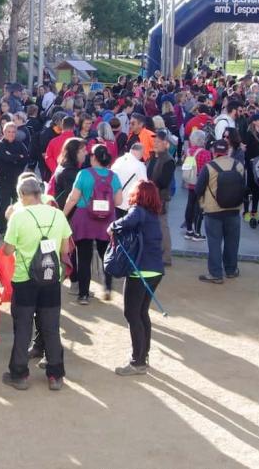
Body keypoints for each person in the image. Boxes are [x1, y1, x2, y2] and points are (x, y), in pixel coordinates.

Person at [2, 177, 72, 392]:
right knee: (51, 326)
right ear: (39, 194)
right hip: (50, 277)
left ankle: (19, 374)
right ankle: (55, 375)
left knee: (23, 326)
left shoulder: (18, 216)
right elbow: (65, 250)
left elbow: (7, 250)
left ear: (21, 195)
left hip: (25, 278)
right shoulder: (58, 215)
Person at [108, 180, 165, 376]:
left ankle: (137, 361)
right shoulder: (153, 215)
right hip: (156, 270)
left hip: (140, 271)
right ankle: (143, 356)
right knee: (142, 313)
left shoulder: (138, 211)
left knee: (132, 314)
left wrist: (112, 225)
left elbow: (123, 223)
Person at [62, 144, 123, 304]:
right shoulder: (113, 176)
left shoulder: (84, 174)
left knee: (84, 258)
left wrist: (63, 215)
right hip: (106, 220)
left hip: (84, 219)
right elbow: (119, 201)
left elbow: (73, 198)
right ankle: (107, 288)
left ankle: (83, 295)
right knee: (106, 255)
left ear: (93, 157)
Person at [194, 138, 245, 283]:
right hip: (234, 209)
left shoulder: (209, 167)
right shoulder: (239, 166)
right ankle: (231, 269)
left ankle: (215, 273)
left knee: (214, 242)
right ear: (228, 151)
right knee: (232, 241)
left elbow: (198, 189)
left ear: (214, 152)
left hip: (213, 210)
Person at [147, 130, 176, 270]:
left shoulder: (168, 160)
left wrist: (150, 185)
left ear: (166, 143)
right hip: (151, 196)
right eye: (155, 141)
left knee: (162, 226)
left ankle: (166, 256)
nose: (155, 143)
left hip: (160, 198)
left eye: (158, 141)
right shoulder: (154, 157)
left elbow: (164, 182)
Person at [0, 122, 28, 234]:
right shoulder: (0, 145)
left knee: (19, 204)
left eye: (13, 132)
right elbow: (5, 158)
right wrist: (17, 157)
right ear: (4, 132)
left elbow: (25, 158)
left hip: (18, 180)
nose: (11, 134)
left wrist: (13, 157)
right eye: (9, 132)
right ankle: (3, 230)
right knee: (4, 205)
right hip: (4, 180)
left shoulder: (20, 144)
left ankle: (17, 228)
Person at [182, 129, 212, 241]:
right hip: (200, 183)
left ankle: (189, 230)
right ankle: (197, 233)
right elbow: (208, 169)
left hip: (190, 181)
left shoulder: (189, 151)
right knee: (199, 208)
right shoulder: (205, 153)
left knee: (189, 205)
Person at [111, 143, 148, 212]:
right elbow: (144, 185)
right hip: (127, 204)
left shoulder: (118, 160)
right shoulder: (140, 166)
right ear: (141, 152)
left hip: (114, 200)